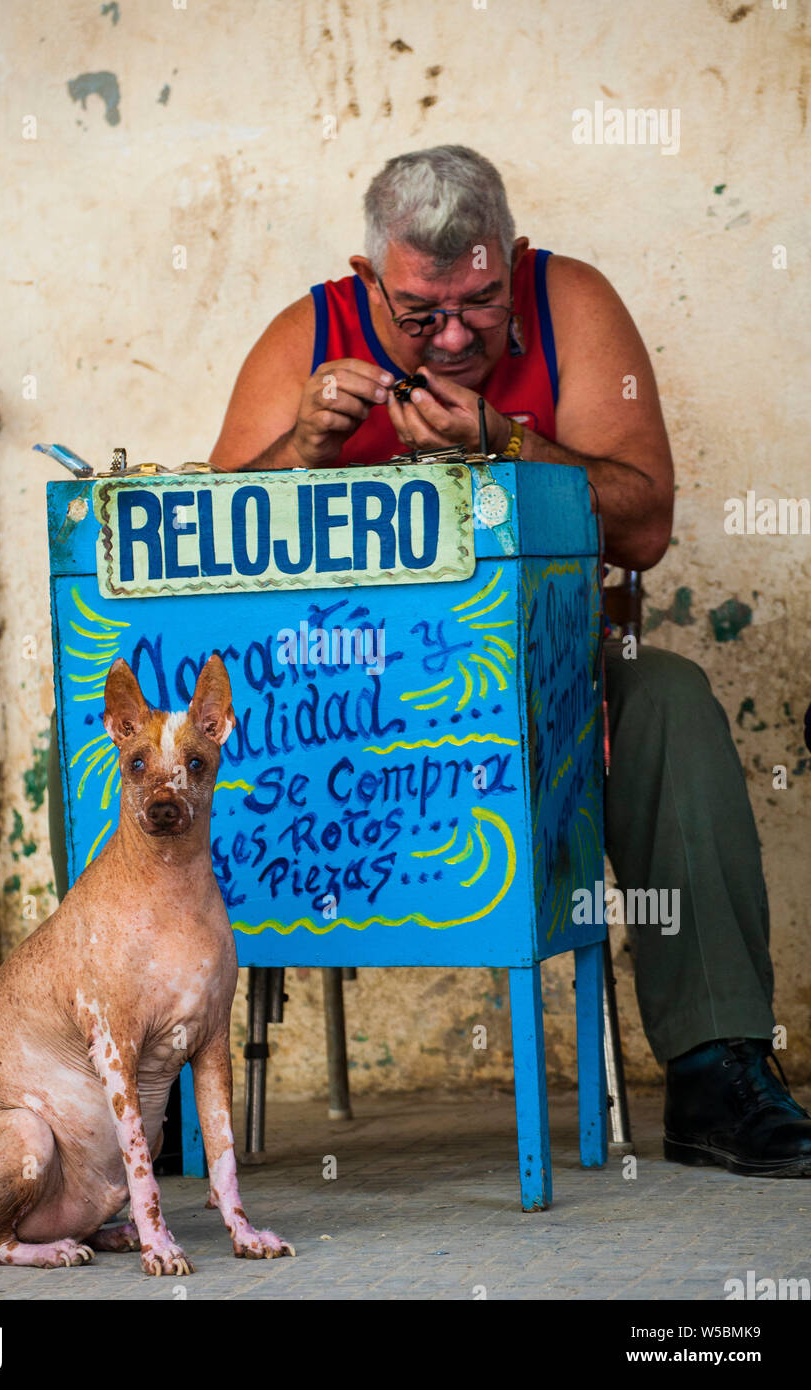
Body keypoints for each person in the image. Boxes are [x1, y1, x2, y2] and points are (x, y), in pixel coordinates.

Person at [208, 144, 811, 1177]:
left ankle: (718, 1072)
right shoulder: (305, 334)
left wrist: (508, 442)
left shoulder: (572, 303)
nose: (452, 336)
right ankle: (145, 1080)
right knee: (113, 730)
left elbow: (647, 523)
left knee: (668, 695)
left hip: (552, 695)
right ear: (368, 283)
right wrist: (298, 453)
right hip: (339, 724)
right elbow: (211, 547)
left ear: (514, 260)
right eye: (419, 313)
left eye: (481, 304)